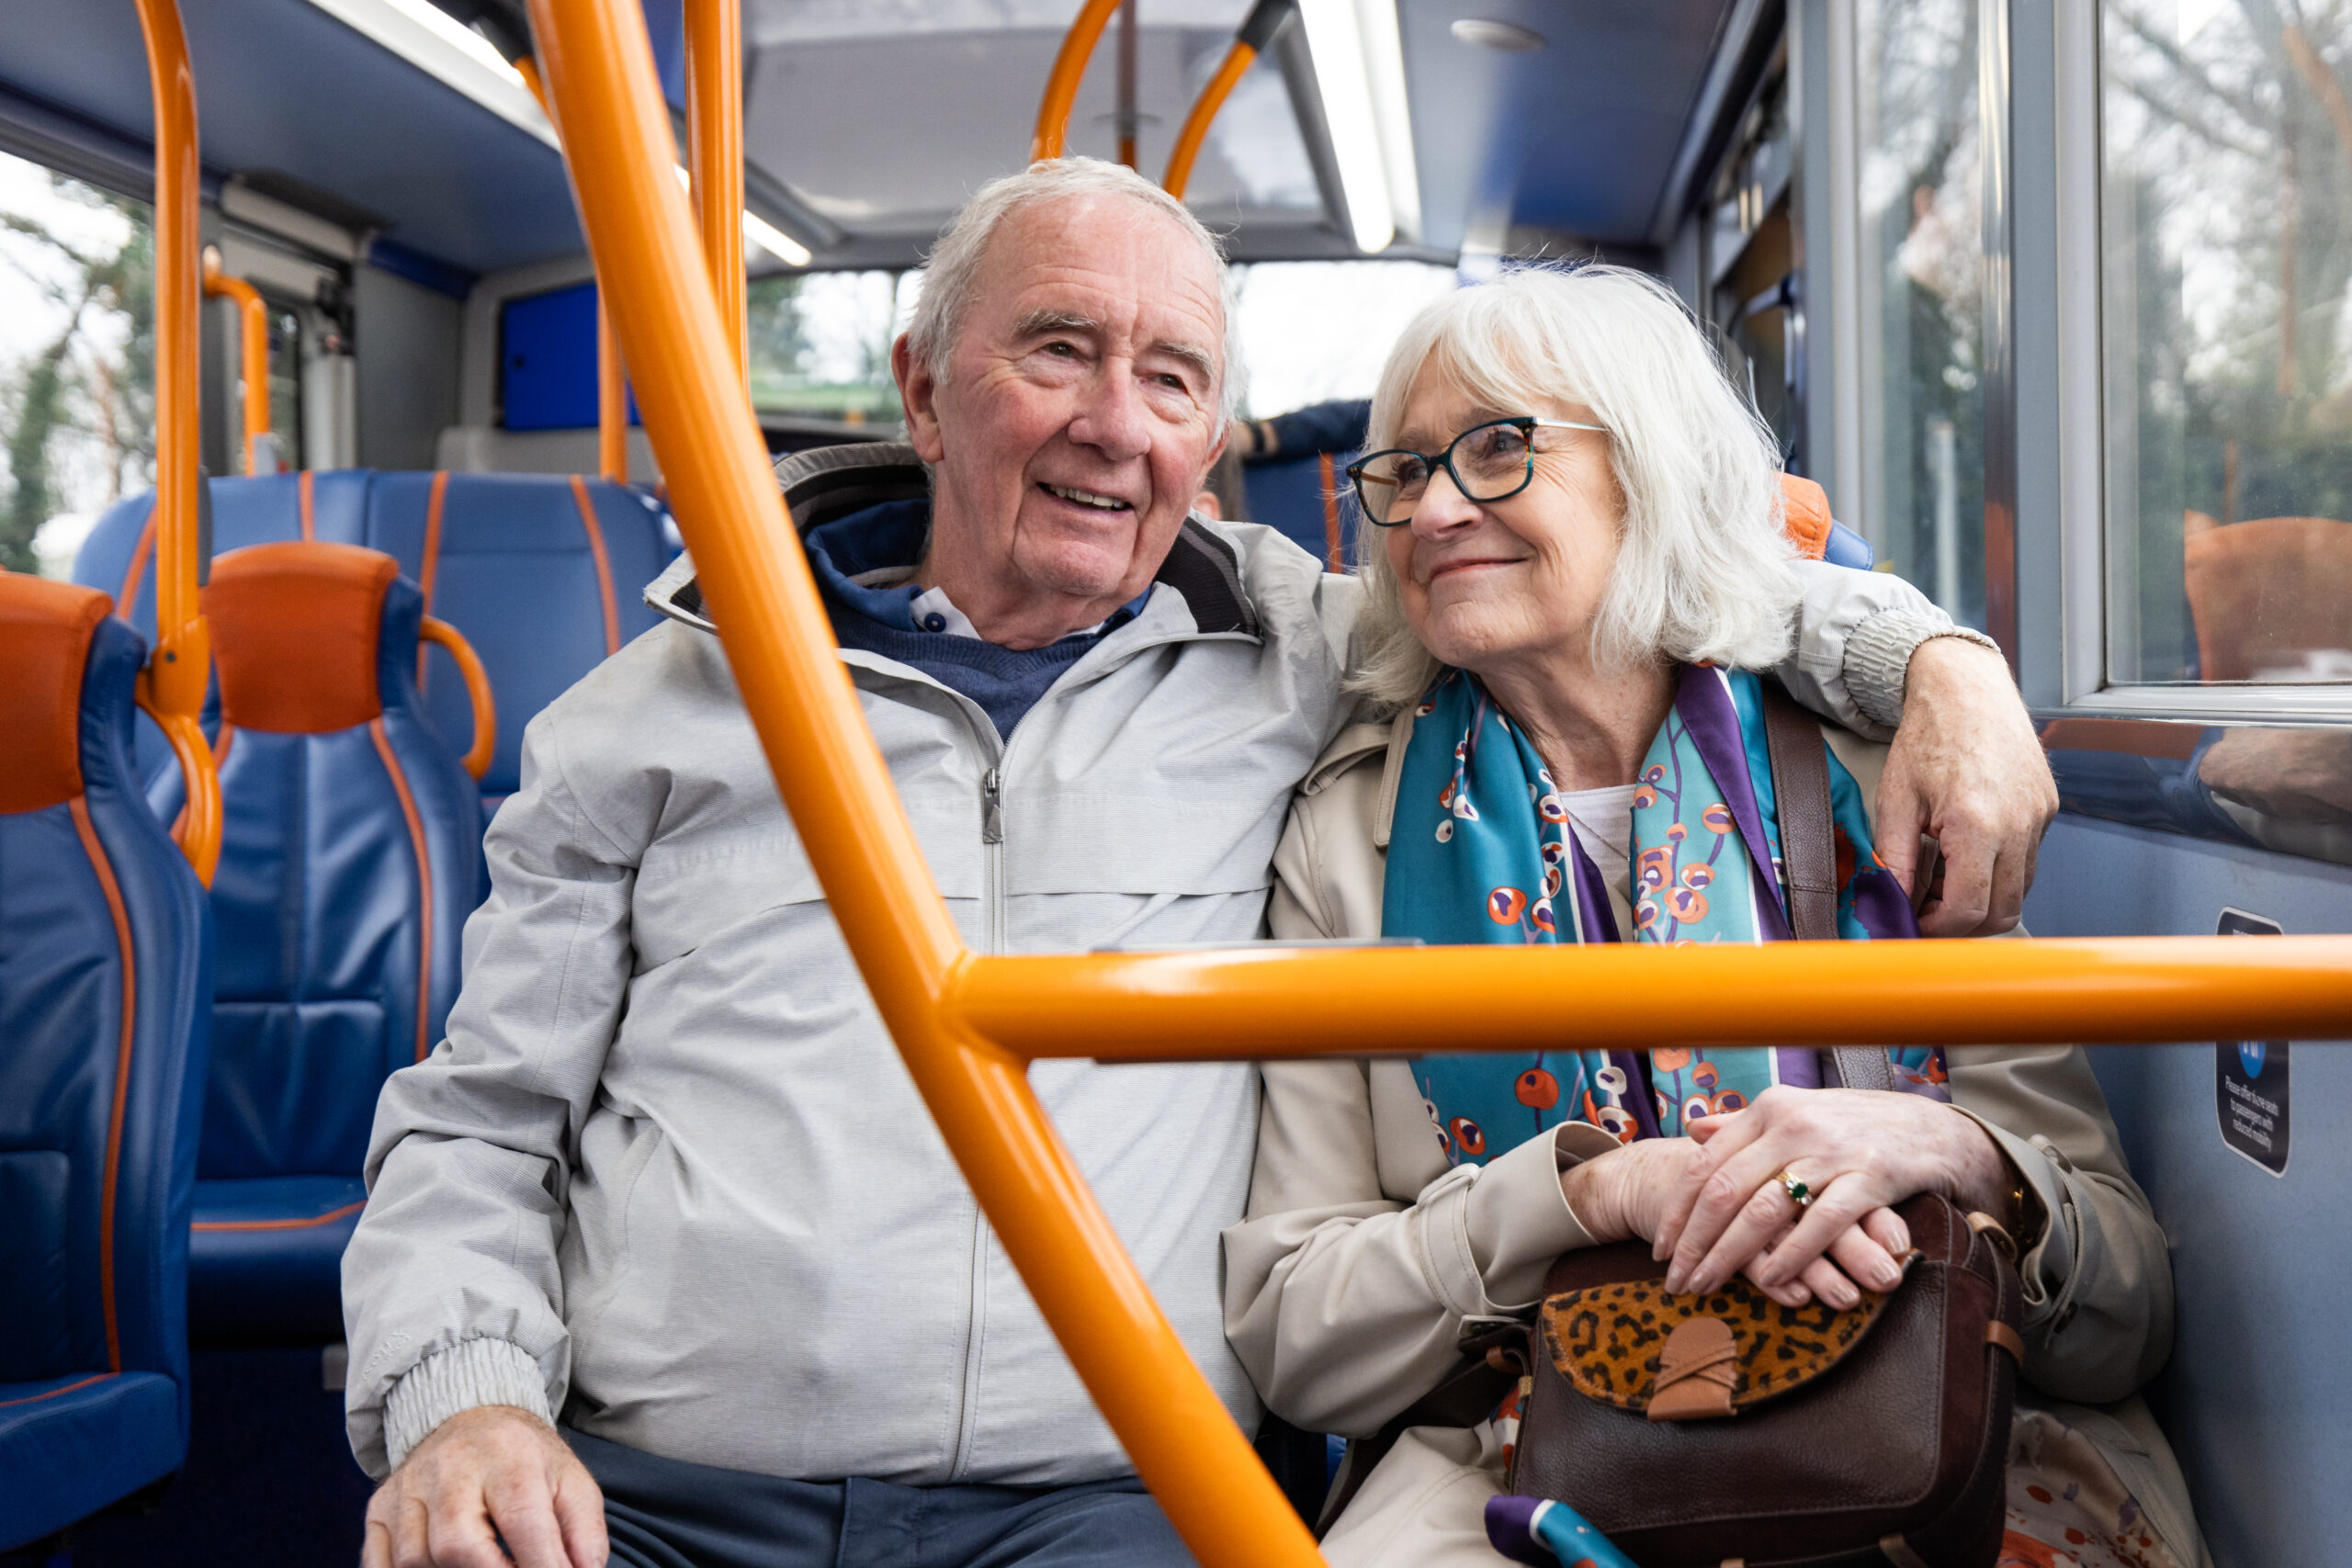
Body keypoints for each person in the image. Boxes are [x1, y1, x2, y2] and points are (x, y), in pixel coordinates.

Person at [343, 159, 2053, 1568]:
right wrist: (465, 1400)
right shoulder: (653, 714)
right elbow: (479, 1116)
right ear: (924, 391)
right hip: (657, 1497)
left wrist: (1939, 668)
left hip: (1101, 1500)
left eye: (1171, 382)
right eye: (1058, 351)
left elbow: (1647, 583)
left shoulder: (1296, 652)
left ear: (1212, 444)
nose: (1116, 424)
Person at [1220, 264, 2205, 1568]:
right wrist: (1585, 1195)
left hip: (1937, 1413)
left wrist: (1951, 1152)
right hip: (1519, 1452)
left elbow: (2125, 1301)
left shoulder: (1884, 779)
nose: (1438, 507)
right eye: (1402, 474)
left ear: (1652, 470)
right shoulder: (1350, 833)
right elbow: (1300, 1334)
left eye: (1500, 449)